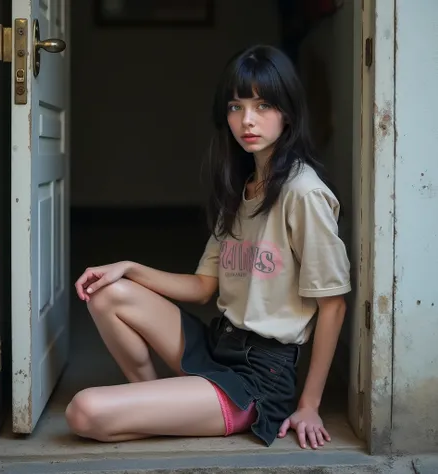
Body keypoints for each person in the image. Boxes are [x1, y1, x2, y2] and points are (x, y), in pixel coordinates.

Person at [67, 44, 351, 450]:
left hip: (258, 378)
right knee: (105, 292)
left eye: (263, 105)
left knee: (84, 411)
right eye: (236, 107)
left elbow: (333, 304)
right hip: (218, 345)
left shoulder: (303, 193)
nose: (247, 120)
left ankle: (171, 406)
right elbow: (203, 286)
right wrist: (128, 267)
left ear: (288, 112)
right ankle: (158, 400)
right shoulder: (240, 187)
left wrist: (309, 404)